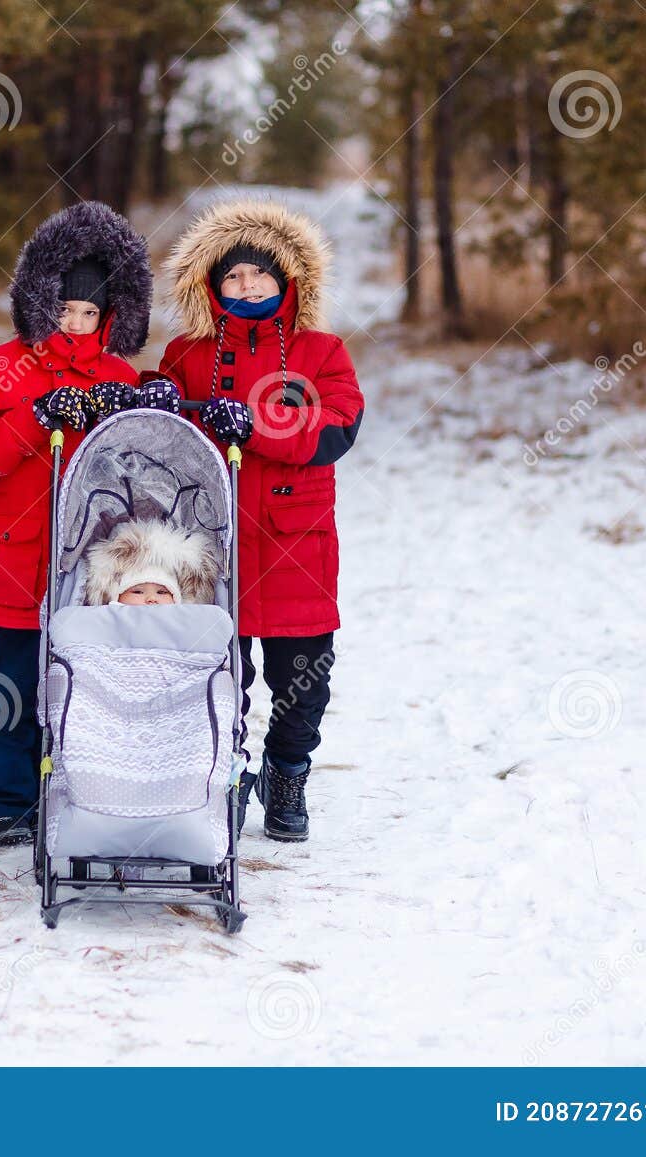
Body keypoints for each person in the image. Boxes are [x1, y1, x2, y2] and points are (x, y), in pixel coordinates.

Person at [0, 201, 152, 847]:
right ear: (40, 300)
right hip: (17, 553)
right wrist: (37, 416)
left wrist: (135, 407)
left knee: (84, 678)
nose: (76, 323)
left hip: (90, 561)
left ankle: (81, 789)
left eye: (90, 313)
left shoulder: (118, 375)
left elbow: (145, 467)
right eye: (66, 310)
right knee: (7, 675)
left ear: (111, 315)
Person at [156, 200, 365, 843]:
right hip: (211, 542)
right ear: (211, 287)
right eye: (233, 277)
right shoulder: (188, 353)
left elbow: (339, 427)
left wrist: (262, 426)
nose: (247, 286)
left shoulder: (321, 351)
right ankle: (225, 773)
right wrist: (166, 400)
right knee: (219, 676)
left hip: (295, 542)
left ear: (287, 280)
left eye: (259, 275)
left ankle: (287, 773)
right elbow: (165, 432)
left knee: (303, 680)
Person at [82, 518, 221, 608]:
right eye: (137, 591)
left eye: (162, 592)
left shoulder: (181, 623)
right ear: (117, 597)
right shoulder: (108, 619)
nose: (151, 599)